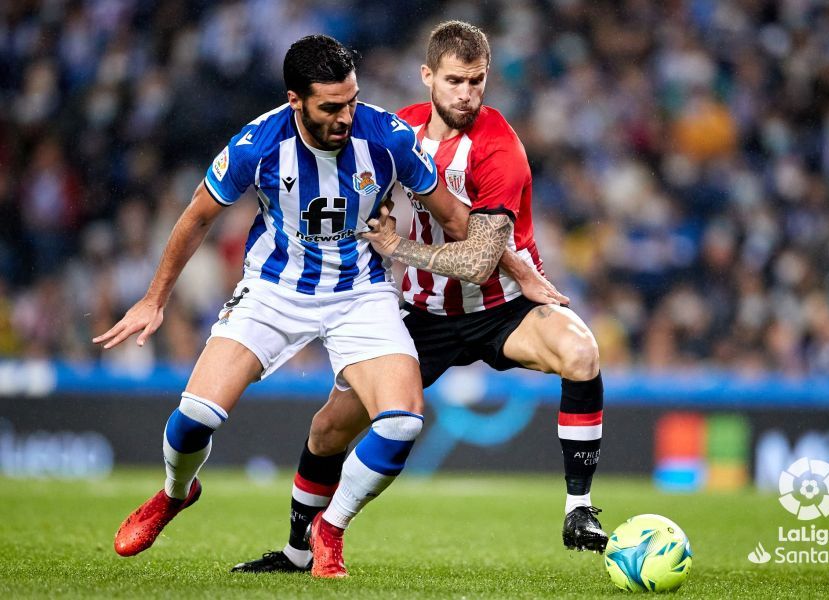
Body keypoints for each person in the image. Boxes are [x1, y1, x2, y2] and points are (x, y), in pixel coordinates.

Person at [95, 34, 545, 579]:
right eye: (331, 107)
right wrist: (154, 299)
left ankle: (329, 528)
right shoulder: (258, 144)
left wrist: (519, 268)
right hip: (274, 289)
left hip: (361, 293)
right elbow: (197, 216)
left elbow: (457, 219)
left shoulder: (389, 137)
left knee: (402, 423)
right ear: (296, 101)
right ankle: (175, 492)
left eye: (351, 101)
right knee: (196, 418)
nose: (345, 117)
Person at [233, 21, 608, 575]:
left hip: (501, 307)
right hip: (419, 312)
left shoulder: (501, 149)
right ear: (427, 76)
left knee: (581, 351)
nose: (467, 94)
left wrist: (400, 247)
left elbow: (477, 262)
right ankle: (296, 551)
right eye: (455, 81)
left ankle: (579, 509)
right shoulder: (395, 130)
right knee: (329, 428)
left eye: (477, 81)